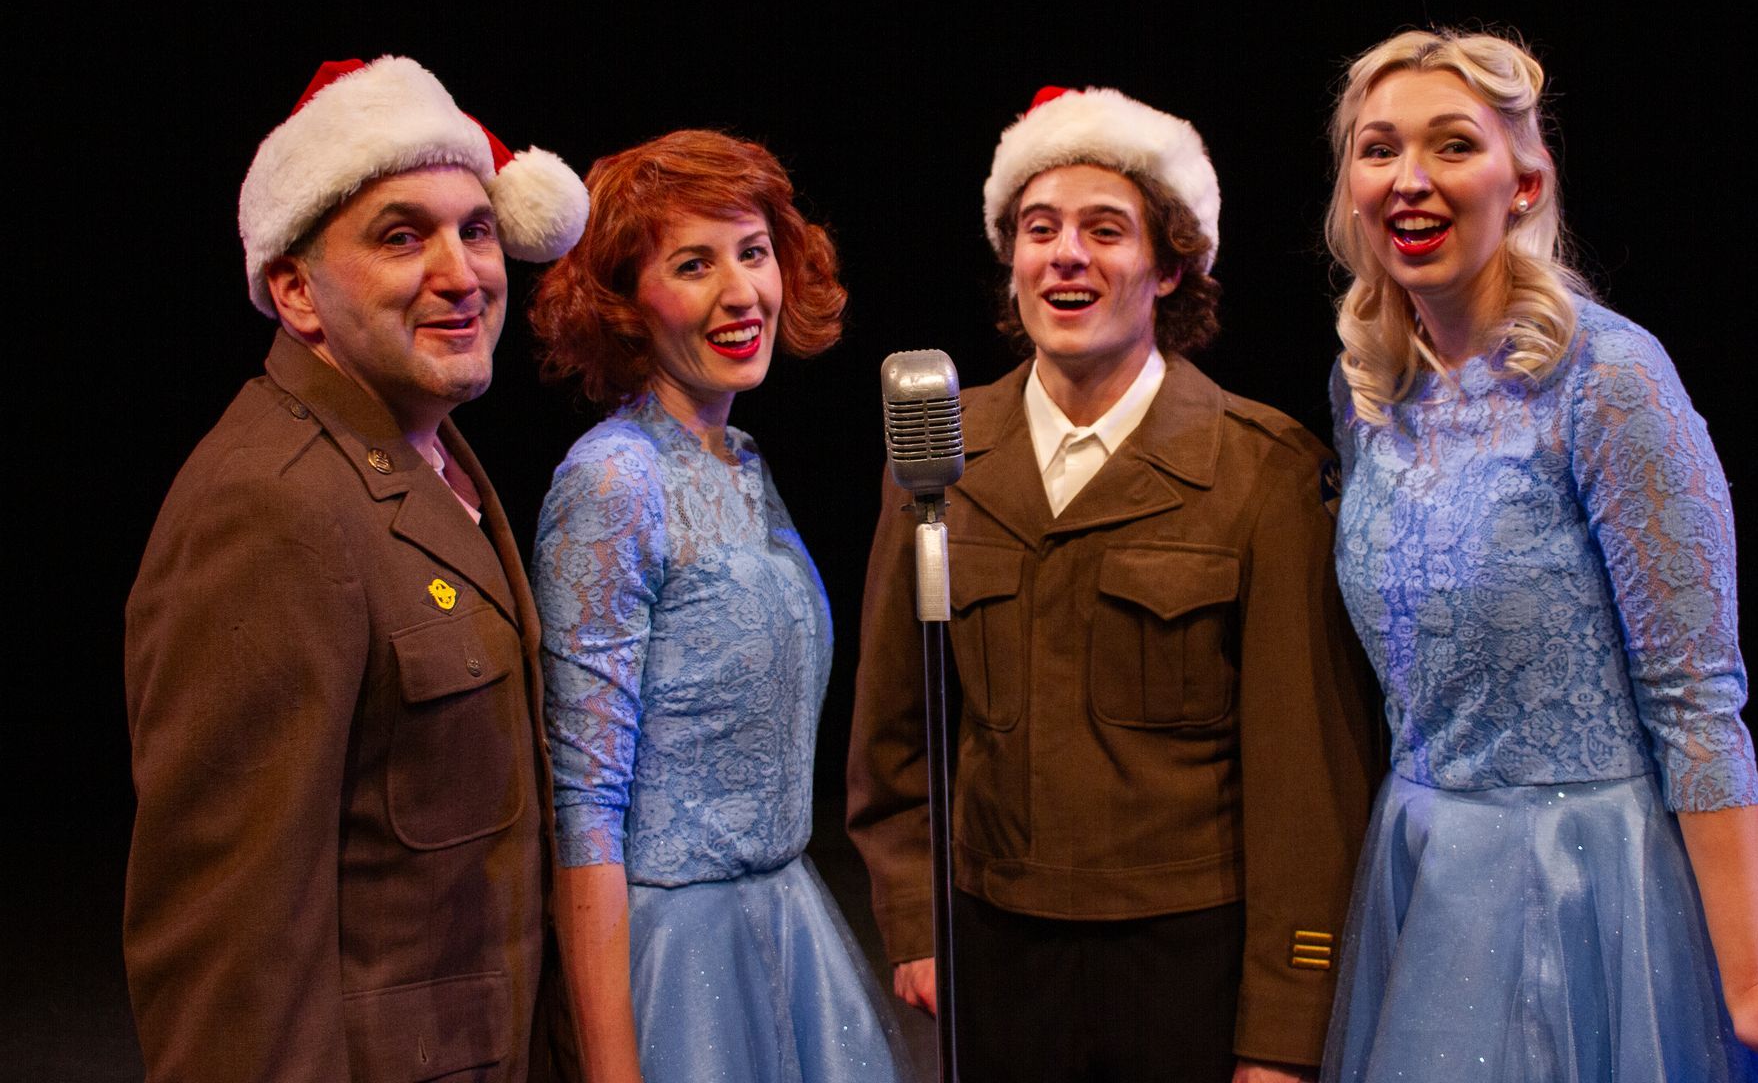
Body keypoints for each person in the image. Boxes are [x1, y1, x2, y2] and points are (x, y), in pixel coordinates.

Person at [1318, 28, 1758, 1081]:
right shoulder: (1370, 387)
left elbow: (1697, 693)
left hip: (1593, 885)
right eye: (1379, 149)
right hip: (1426, 871)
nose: (1410, 180)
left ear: (1525, 182)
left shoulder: (1610, 378)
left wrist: (1748, 975)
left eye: (1453, 145)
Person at [848, 86, 1382, 1081]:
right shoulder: (938, 456)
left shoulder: (1261, 470)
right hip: (994, 955)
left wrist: (1283, 1028)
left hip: (1186, 962)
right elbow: (894, 731)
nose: (1065, 255)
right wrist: (915, 915)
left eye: (1106, 229)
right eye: (1038, 228)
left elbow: (1305, 784)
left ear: (1171, 264)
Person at [124, 56, 589, 1082]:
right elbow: (229, 956)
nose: (464, 271)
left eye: (474, 227)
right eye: (401, 235)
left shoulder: (426, 455)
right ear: (295, 290)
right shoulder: (270, 505)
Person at [528, 130, 909, 1083]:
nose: (742, 292)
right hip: (674, 950)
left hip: (784, 922)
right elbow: (584, 806)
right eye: (693, 264)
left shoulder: (741, 464)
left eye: (753, 252)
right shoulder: (614, 481)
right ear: (625, 302)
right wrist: (613, 1066)